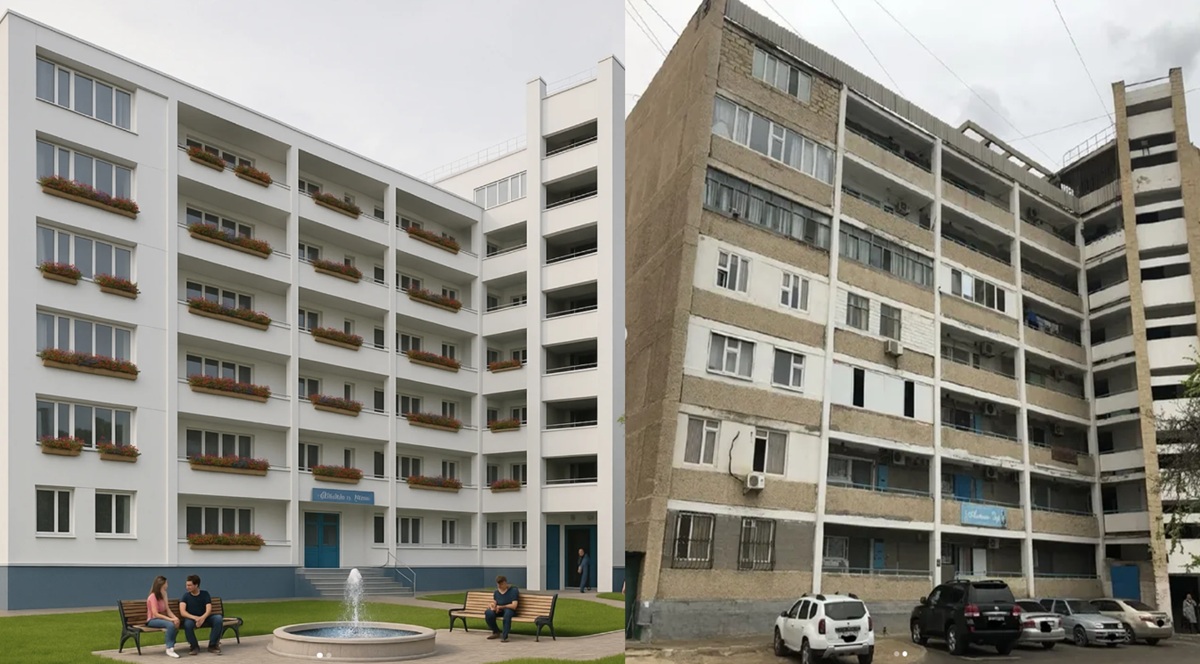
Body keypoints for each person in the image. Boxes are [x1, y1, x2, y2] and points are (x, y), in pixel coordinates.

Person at [179, 574, 223, 655]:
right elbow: (183, 612)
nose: (187, 587)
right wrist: (195, 618)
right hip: (192, 618)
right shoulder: (185, 596)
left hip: (205, 617)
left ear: (196, 585)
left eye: (189, 585)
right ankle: (194, 646)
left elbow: (209, 609)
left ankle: (213, 645)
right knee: (187, 624)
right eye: (187, 585)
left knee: (218, 619)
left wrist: (202, 618)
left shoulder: (205, 594)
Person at [145, 576, 181, 658]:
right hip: (152, 620)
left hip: (161, 619)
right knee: (170, 624)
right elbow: (155, 614)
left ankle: (171, 645)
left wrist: (175, 618)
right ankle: (169, 648)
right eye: (166, 583)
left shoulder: (164, 594)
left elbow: (168, 610)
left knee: (176, 622)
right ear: (161, 584)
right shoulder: (152, 596)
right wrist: (171, 619)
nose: (167, 585)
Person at [484, 575, 519, 642]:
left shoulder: (513, 590)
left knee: (507, 614)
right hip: (499, 610)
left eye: (501, 584)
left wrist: (501, 607)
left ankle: (505, 636)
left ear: (505, 583)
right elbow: (495, 601)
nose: (499, 586)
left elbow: (514, 605)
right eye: (498, 584)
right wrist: (493, 606)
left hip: (509, 609)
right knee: (488, 612)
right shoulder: (496, 592)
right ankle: (496, 631)